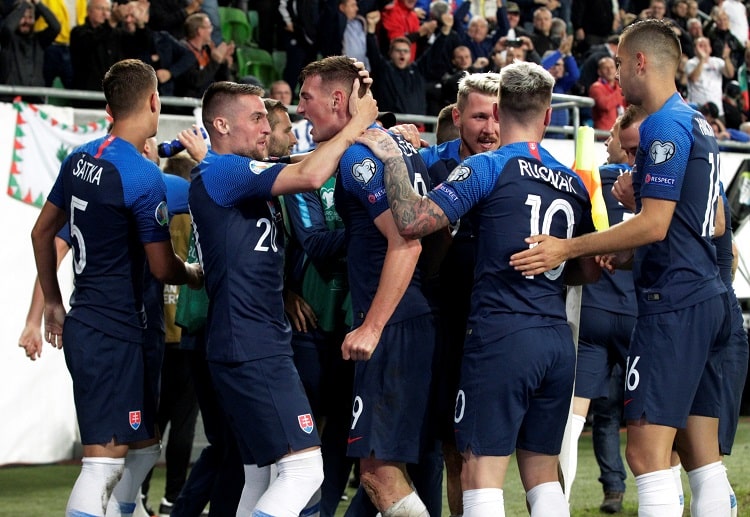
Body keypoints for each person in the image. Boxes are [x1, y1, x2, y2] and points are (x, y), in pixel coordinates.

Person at [510, 19, 733, 516]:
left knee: (646, 455)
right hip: (707, 296)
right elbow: (707, 222)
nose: (615, 74)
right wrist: (628, 251)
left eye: (618, 61)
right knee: (702, 458)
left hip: (674, 303)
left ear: (640, 62)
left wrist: (568, 248)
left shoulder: (662, 126)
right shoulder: (697, 122)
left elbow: (654, 224)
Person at [358, 60, 599, 516]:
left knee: (478, 474)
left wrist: (391, 157)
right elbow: (588, 271)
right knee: (543, 473)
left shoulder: (488, 167)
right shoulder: (573, 182)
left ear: (501, 110)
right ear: (549, 115)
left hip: (501, 337)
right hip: (556, 340)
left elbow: (412, 221)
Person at [188, 75, 377, 516]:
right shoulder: (224, 170)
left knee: (261, 474)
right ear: (221, 125)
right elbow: (310, 174)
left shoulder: (237, 174)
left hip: (246, 341)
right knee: (305, 470)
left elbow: (299, 160)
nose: (266, 128)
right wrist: (359, 124)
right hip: (252, 344)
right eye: (256, 118)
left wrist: (371, 137)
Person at [30, 59, 203, 517]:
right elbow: (163, 268)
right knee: (102, 466)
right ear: (153, 101)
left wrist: (53, 302)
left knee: (143, 446)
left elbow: (41, 233)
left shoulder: (80, 158)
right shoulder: (141, 177)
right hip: (112, 333)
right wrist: (193, 273)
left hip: (106, 326)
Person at [296, 55, 437, 516]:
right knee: (390, 466)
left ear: (338, 99)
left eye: (307, 97)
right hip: (409, 316)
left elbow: (407, 242)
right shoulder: (389, 147)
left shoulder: (361, 157)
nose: (301, 109)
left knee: (378, 472)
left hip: (392, 324)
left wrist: (373, 327)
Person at [558, 106, 645, 512]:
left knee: (574, 420)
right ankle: (673, 496)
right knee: (654, 417)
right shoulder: (652, 183)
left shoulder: (587, 181)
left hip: (592, 309)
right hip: (636, 312)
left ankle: (559, 502)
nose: (609, 142)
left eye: (612, 137)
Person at [0, 0, 60, 95]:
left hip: (35, 97)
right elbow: (8, 28)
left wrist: (38, 3)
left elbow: (56, 27)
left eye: (30, 17)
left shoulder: (39, 40)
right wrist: (25, 3)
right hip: (10, 98)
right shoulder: (8, 39)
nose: (26, 21)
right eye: (23, 17)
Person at [589, 56, 626, 131]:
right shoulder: (596, 87)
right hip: (604, 133)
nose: (609, 70)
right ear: (599, 72)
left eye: (612, 67)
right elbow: (604, 105)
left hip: (620, 132)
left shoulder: (620, 87)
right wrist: (621, 91)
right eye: (605, 68)